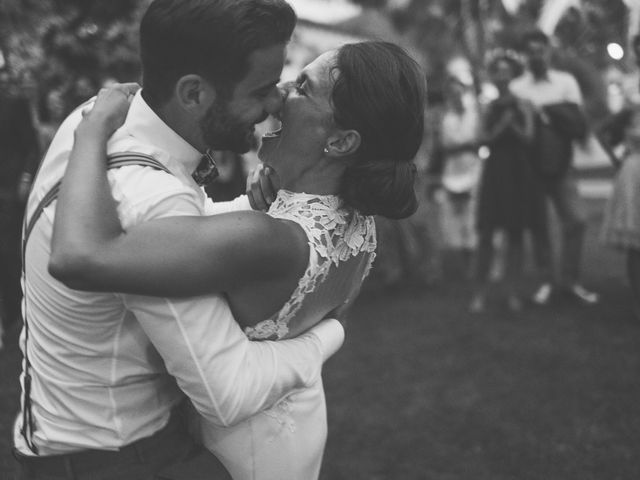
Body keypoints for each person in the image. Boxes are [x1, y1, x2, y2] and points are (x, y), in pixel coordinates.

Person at [50, 41, 424, 479]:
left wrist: (92, 132)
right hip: (299, 423)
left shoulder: (265, 238)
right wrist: (256, 200)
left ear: (341, 141)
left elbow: (81, 255)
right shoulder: (358, 227)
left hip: (243, 450)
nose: (281, 92)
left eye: (304, 87)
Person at [14, 2, 346, 479]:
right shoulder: (149, 199)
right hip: (120, 457)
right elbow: (225, 394)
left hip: (65, 431)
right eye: (260, 89)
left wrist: (246, 207)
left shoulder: (97, 116)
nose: (276, 103)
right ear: (193, 93)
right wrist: (327, 337)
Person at [511, 28, 599, 306]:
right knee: (540, 227)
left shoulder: (565, 82)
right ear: (525, 55)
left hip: (562, 165)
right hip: (530, 167)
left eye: (541, 50)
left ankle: (570, 280)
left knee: (577, 220)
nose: (536, 55)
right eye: (531, 51)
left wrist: (544, 112)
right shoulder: (517, 88)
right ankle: (547, 280)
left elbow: (578, 123)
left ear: (548, 51)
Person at [469, 50, 546, 313]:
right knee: (486, 234)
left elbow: (529, 138)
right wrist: (502, 126)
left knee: (515, 234)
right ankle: (479, 293)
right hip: (494, 170)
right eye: (497, 70)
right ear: (492, 75)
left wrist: (513, 126)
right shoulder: (488, 106)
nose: (501, 74)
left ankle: (512, 291)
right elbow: (480, 139)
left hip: (518, 171)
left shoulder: (524, 103)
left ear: (513, 73)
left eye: (506, 70)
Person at [599, 33, 640, 320]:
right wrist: (617, 158)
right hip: (636, 166)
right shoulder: (630, 85)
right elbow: (609, 129)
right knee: (636, 241)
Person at [0, 67, 40, 350]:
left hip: (8, 193)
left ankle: (12, 315)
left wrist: (25, 179)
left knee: (7, 256)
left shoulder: (13, 105)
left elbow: (32, 147)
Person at [435, 74, 482, 278]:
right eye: (451, 93)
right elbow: (444, 147)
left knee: (473, 215)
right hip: (453, 171)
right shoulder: (446, 118)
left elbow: (480, 140)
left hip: (474, 169)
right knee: (457, 217)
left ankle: (477, 262)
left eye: (459, 92)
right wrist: (465, 145)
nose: (456, 96)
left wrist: (462, 146)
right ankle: (465, 265)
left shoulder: (475, 114)